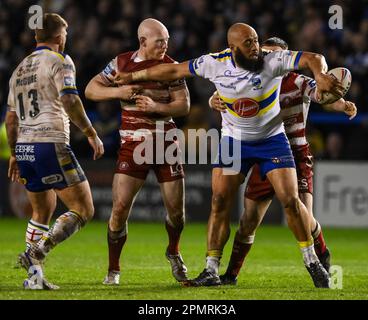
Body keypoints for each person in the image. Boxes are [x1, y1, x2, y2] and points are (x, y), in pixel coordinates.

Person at [114, 23, 344, 288]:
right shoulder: (215, 62)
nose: (256, 47)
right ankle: (211, 269)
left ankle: (312, 262)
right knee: (219, 201)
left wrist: (322, 74)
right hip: (234, 142)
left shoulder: (272, 59)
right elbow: (173, 69)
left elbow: (313, 58)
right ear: (233, 48)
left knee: (291, 201)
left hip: (272, 141)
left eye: (256, 40)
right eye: (248, 43)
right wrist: (132, 78)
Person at [207, 37, 357, 285]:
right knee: (248, 221)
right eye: (268, 54)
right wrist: (214, 100)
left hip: (295, 155)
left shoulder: (299, 82)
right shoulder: (251, 81)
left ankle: (322, 256)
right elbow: (225, 95)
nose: (272, 60)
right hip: (263, 150)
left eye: (278, 56)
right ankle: (230, 275)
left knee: (303, 217)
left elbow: (323, 97)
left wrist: (343, 105)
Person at [85, 18, 190, 285]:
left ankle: (174, 251)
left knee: (176, 212)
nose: (165, 46)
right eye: (160, 41)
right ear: (143, 41)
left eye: (166, 40)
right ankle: (113, 269)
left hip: (165, 143)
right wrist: (119, 91)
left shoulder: (171, 67)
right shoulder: (121, 63)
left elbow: (183, 106)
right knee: (119, 208)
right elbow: (91, 89)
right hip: (133, 144)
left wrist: (157, 107)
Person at [5, 13, 104, 289]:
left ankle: (34, 279)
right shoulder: (60, 60)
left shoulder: (19, 70)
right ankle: (38, 251)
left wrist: (14, 153)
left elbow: (10, 119)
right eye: (66, 33)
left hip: (25, 147)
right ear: (60, 36)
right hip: (50, 143)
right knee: (83, 208)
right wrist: (90, 132)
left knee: (41, 212)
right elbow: (70, 99)